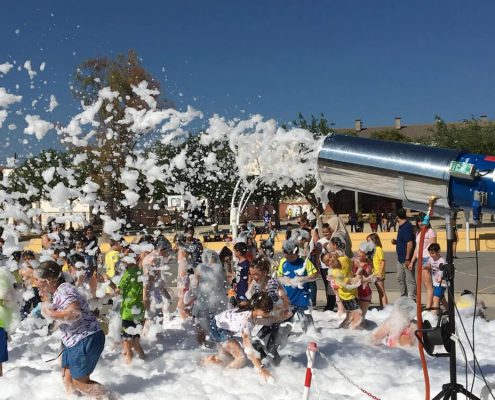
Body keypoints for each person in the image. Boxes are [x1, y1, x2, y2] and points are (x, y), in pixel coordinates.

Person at [35, 261, 107, 397]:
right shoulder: (58, 291)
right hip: (74, 341)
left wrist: (51, 314)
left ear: (49, 280)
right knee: (67, 378)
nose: (36, 282)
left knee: (79, 383)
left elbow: (74, 312)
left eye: (38, 279)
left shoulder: (64, 290)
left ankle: (112, 397)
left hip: (85, 338)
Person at [203, 292, 274, 382]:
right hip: (218, 329)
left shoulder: (252, 311)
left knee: (227, 358)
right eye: (266, 311)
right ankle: (222, 379)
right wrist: (262, 368)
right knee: (241, 358)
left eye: (270, 310)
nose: (269, 312)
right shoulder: (246, 320)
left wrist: (282, 316)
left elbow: (266, 319)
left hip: (218, 325)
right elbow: (248, 349)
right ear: (256, 308)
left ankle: (204, 362)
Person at [247, 257, 292, 365]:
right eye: (251, 274)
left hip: (284, 319)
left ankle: (281, 369)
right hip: (272, 320)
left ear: (265, 272)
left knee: (268, 346)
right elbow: (253, 300)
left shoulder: (273, 284)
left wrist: (276, 310)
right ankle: (263, 367)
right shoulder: (256, 285)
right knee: (258, 344)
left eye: (256, 274)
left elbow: (287, 302)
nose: (254, 277)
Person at [277, 240, 317, 333]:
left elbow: (315, 275)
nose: (290, 258)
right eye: (288, 256)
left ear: (297, 253)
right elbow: (279, 276)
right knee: (284, 326)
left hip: (302, 297)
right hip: (287, 298)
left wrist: (305, 278)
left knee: (308, 327)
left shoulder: (305, 262)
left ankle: (310, 338)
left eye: (292, 256)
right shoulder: (283, 262)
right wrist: (284, 280)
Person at [323, 249, 362, 329]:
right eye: (328, 261)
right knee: (358, 315)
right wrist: (358, 279)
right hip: (346, 296)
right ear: (327, 265)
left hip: (353, 292)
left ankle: (342, 329)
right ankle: (352, 332)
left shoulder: (343, 259)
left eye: (330, 257)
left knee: (350, 316)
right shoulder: (335, 273)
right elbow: (349, 283)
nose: (331, 260)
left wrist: (358, 266)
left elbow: (353, 263)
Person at [114, 262, 145, 364]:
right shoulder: (140, 272)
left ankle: (129, 366)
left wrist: (107, 282)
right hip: (139, 311)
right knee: (136, 342)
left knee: (127, 342)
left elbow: (118, 290)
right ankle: (145, 361)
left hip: (128, 312)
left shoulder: (128, 273)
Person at [410, 212, 437, 309]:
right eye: (418, 221)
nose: (420, 223)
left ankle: (429, 306)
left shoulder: (430, 232)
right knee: (424, 284)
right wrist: (412, 261)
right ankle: (431, 303)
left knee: (428, 283)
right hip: (420, 258)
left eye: (422, 221)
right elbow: (417, 248)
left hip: (427, 259)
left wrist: (430, 261)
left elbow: (433, 247)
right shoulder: (419, 232)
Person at [391, 208, 416, 301]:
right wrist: (397, 242)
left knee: (410, 279)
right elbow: (405, 241)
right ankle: (403, 297)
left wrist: (407, 258)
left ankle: (412, 299)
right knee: (400, 278)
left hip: (406, 258)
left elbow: (410, 243)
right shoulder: (401, 226)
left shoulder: (406, 227)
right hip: (400, 258)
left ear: (397, 217)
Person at [424, 243, 448, 315]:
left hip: (442, 282)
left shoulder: (442, 261)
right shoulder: (431, 259)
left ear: (438, 252)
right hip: (435, 282)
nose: (431, 255)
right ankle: (450, 310)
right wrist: (426, 267)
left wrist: (440, 278)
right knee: (441, 298)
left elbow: (442, 271)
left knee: (436, 298)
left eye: (433, 253)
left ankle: (433, 315)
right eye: (430, 253)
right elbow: (428, 265)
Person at [367, 233, 389, 308]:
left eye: (369, 241)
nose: (368, 243)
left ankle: (385, 307)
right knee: (380, 291)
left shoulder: (378, 249)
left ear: (374, 240)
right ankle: (382, 306)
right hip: (375, 273)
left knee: (382, 291)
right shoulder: (373, 250)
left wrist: (380, 273)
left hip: (379, 274)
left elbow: (382, 261)